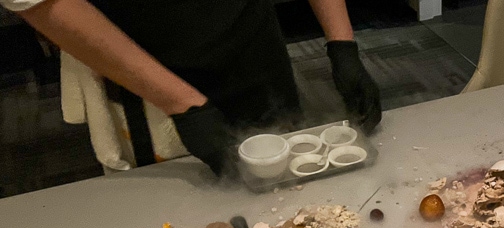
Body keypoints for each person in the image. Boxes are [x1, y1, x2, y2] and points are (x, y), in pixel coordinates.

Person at [3, 0, 382, 176]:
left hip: (251, 36)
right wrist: (181, 104)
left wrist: (341, 42)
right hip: (141, 63)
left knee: (283, 189)